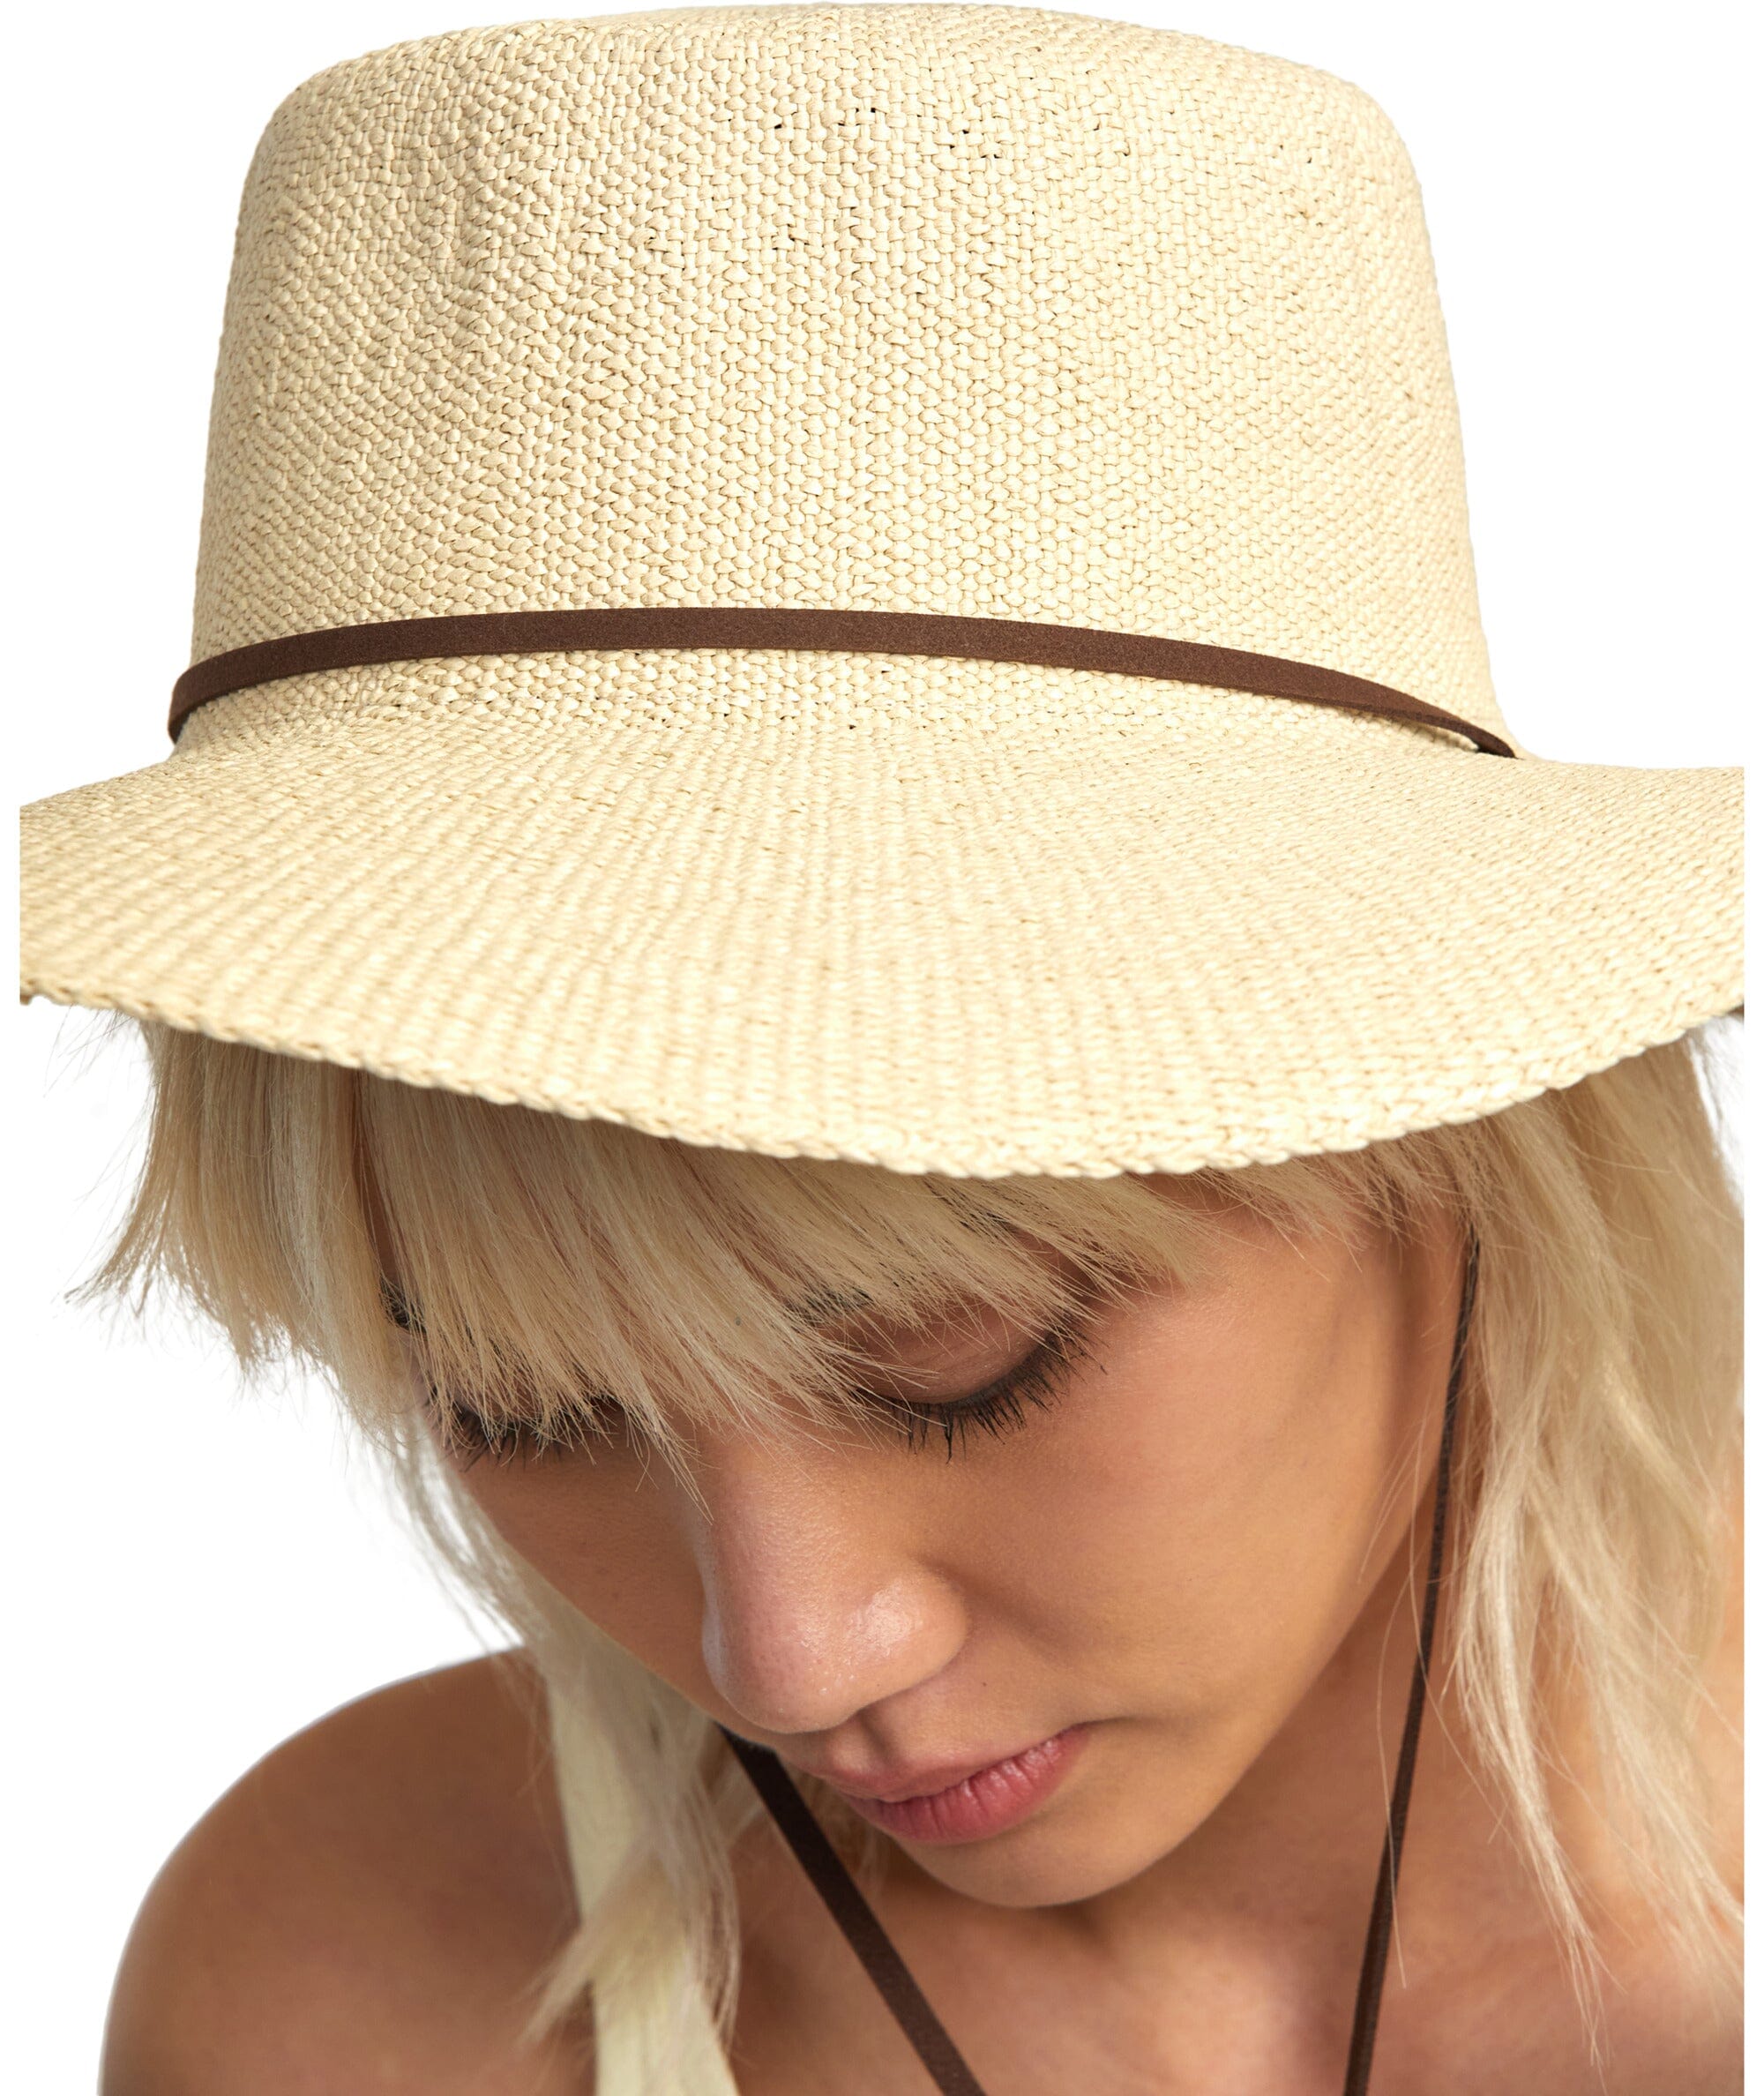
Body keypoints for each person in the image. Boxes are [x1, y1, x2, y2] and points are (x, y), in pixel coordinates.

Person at [19, 8, 1740, 2092]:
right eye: (519, 1407)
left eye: (949, 1356)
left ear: (1472, 1098)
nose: (787, 1657)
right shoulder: (363, 1993)